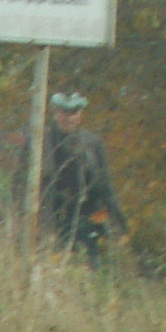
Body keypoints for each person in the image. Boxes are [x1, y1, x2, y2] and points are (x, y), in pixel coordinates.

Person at [40, 92, 127, 265]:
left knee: (89, 267)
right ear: (56, 113)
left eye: (74, 112)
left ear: (80, 114)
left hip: (85, 218)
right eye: (64, 112)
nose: (69, 117)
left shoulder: (92, 144)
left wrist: (118, 223)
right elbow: (21, 183)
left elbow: (105, 185)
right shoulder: (41, 142)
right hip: (50, 220)